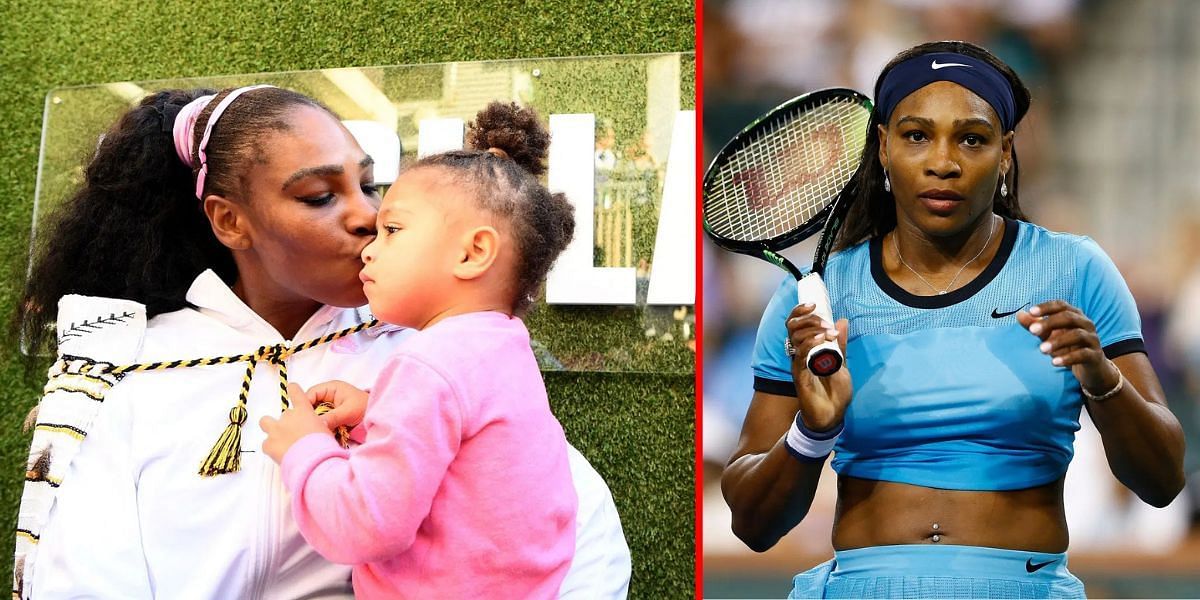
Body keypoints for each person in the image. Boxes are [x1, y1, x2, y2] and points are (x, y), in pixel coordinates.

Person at [13, 85, 631, 598]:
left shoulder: (429, 350)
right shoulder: (134, 369)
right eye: (318, 196)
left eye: (369, 186)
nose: (365, 216)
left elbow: (575, 533)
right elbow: (83, 575)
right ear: (229, 220)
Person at [720, 40, 1186, 599]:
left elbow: (1162, 482)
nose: (944, 161)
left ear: (1006, 152)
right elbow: (751, 524)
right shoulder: (812, 301)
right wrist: (813, 433)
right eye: (917, 135)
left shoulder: (1076, 270)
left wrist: (1104, 381)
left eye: (972, 138)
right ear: (883, 147)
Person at [258, 102, 579, 598]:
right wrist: (375, 409)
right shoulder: (502, 346)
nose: (369, 247)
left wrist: (304, 448)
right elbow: (469, 452)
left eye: (393, 229)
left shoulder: (426, 365)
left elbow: (365, 526)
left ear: (472, 253)